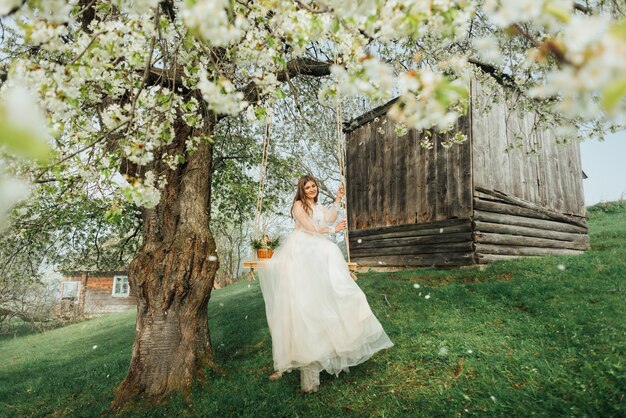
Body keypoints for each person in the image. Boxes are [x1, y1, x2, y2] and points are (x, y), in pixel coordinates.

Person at [258, 175, 393, 393]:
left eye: (313, 186)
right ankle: (308, 368)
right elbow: (310, 228)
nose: (311, 189)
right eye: (307, 186)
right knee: (306, 302)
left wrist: (338, 199)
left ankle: (340, 338)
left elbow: (328, 217)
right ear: (301, 189)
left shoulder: (318, 205)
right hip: (303, 252)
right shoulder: (298, 206)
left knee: (339, 292)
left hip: (321, 250)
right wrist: (332, 230)